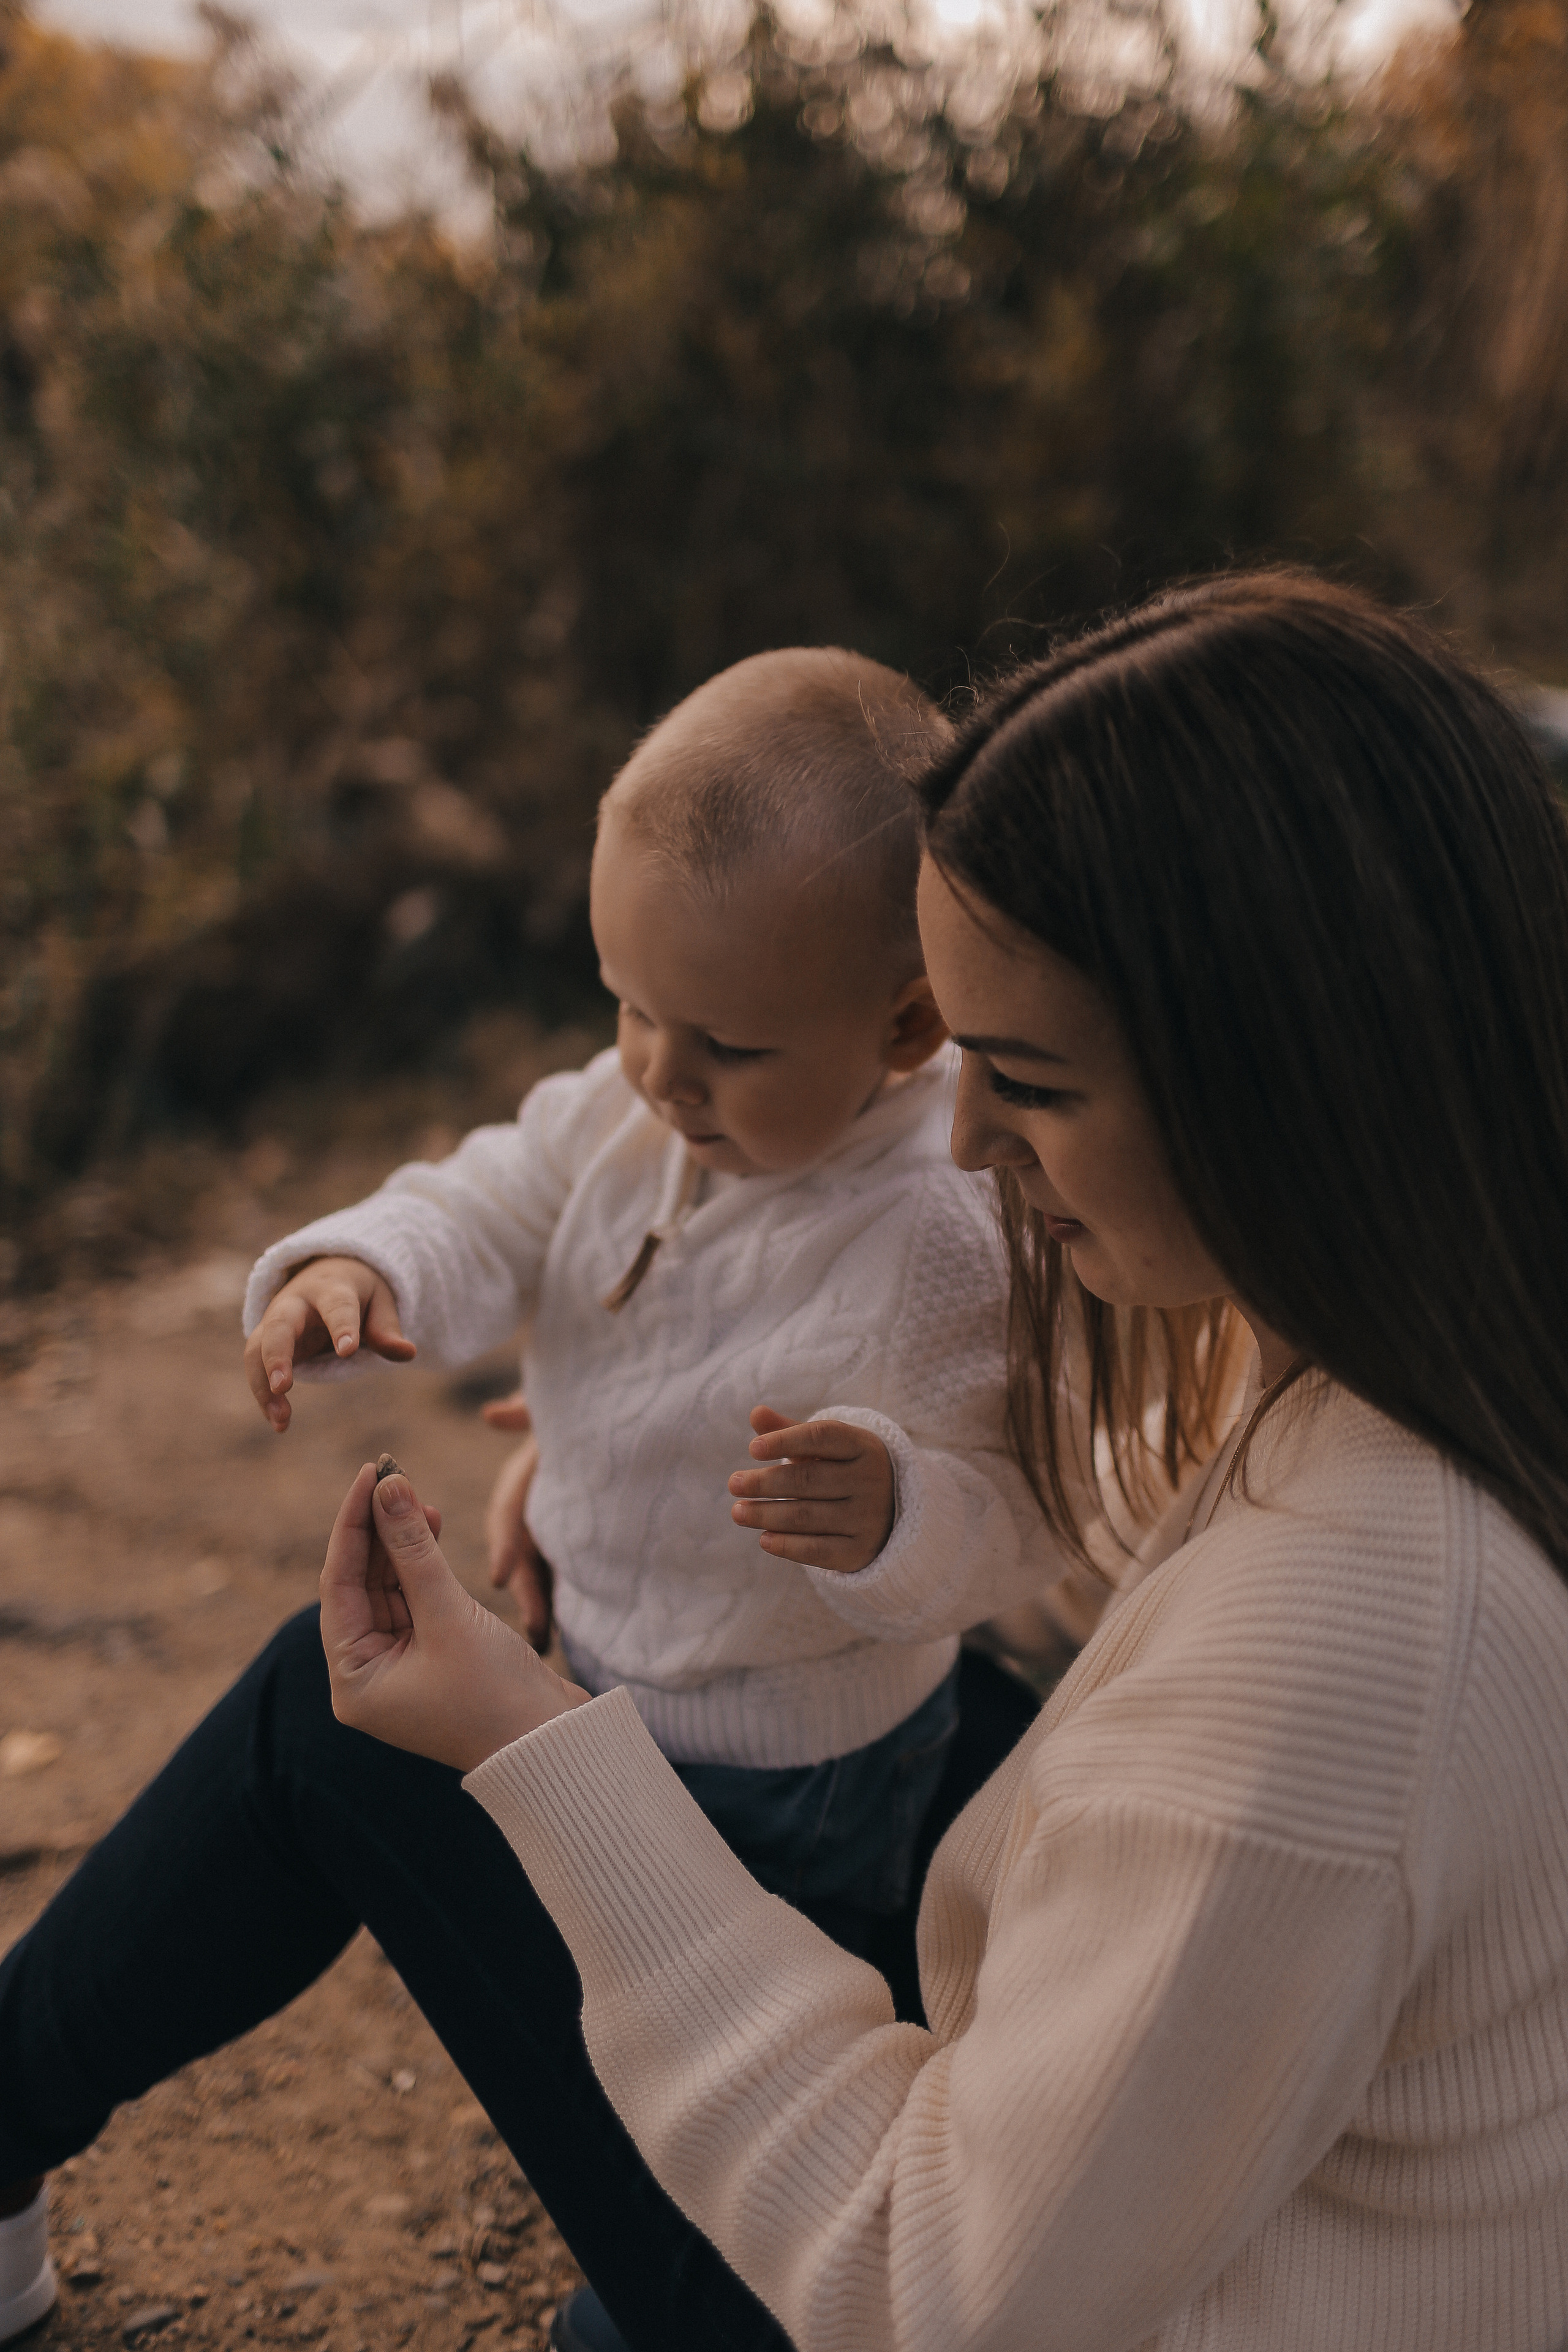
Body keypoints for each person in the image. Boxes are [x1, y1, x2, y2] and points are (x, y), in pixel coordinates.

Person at [8, 568, 1568, 2351]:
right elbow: (1110, 1496)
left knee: (325, 1709)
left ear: (1285, 1076)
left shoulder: (1330, 1681)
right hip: (1185, 2225)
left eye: (1030, 1083)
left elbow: (937, 2300)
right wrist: (638, 1476)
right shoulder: (1424, 1388)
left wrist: (528, 1737)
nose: (967, 1142)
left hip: (959, 2274)